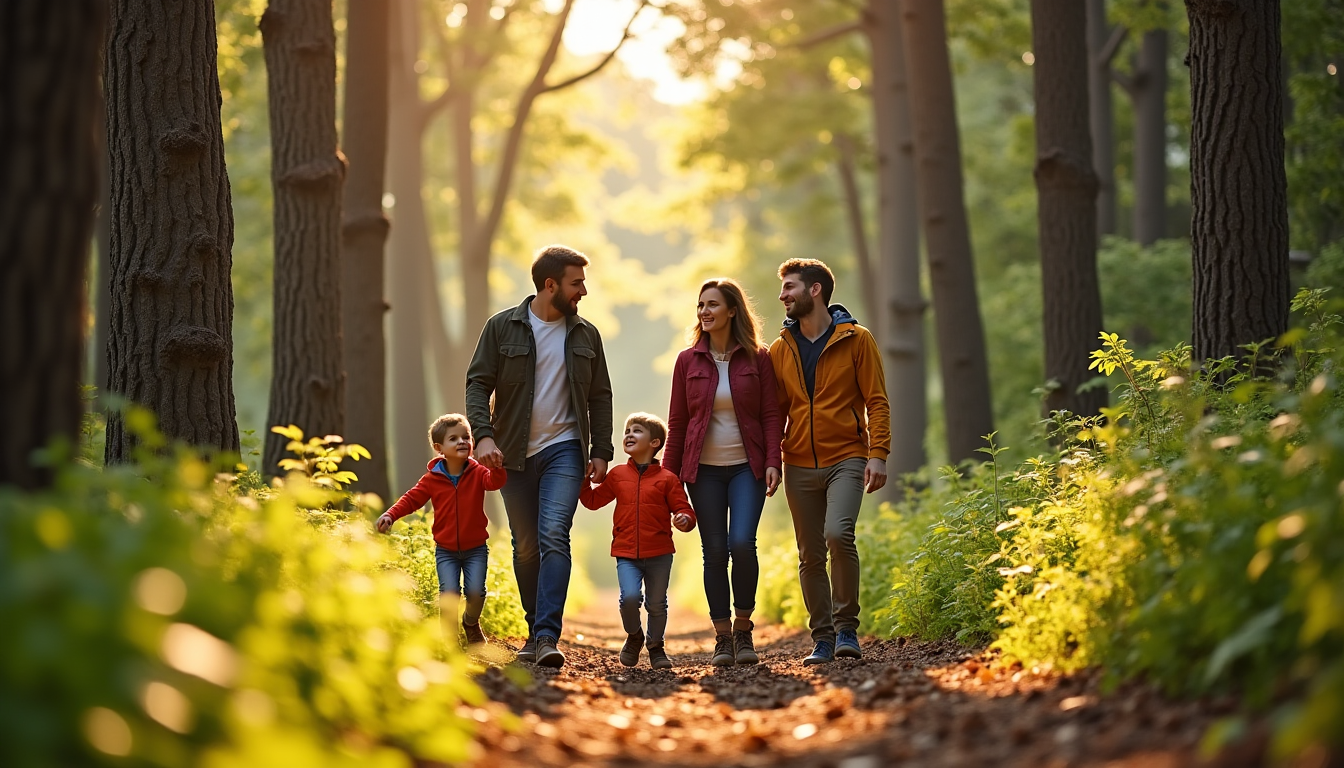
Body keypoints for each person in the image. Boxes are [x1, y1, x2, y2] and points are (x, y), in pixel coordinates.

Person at [465, 244, 614, 668]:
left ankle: (547, 634)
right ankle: (534, 631)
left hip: (565, 449)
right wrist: (484, 437)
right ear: (551, 285)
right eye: (576, 282)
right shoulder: (501, 328)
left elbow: (600, 397)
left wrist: (601, 450)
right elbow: (478, 384)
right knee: (526, 545)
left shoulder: (586, 335)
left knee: (553, 535)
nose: (583, 291)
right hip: (509, 454)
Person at [768, 259, 890, 665]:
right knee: (810, 552)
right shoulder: (779, 349)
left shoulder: (857, 339)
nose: (782, 295)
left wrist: (879, 454)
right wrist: (772, 459)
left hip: (848, 456)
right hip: (798, 461)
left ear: (814, 290)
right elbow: (776, 413)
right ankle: (822, 637)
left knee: (839, 534)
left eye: (789, 287)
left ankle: (846, 629)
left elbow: (877, 401)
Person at [664, 278, 782, 667]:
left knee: (742, 543)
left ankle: (744, 631)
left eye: (712, 304)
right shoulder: (687, 361)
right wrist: (668, 481)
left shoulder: (758, 358)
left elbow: (770, 414)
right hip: (704, 472)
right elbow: (678, 423)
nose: (704, 311)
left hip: (747, 467)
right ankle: (722, 637)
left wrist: (771, 461)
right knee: (714, 551)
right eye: (701, 305)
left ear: (732, 310)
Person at [377, 414, 507, 648]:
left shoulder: (478, 473)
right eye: (453, 438)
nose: (462, 442)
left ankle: (470, 622)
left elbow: (494, 483)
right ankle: (448, 641)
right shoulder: (432, 479)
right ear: (439, 448)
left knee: (476, 592)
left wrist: (496, 467)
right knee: (449, 595)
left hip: (476, 548)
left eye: (466, 437)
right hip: (445, 550)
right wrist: (390, 514)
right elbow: (411, 499)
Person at [580, 413, 696, 670]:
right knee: (629, 598)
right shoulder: (618, 474)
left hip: (659, 552)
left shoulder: (667, 478)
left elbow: (683, 508)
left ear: (655, 442)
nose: (629, 434)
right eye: (627, 431)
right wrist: (582, 479)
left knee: (657, 603)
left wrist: (685, 519)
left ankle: (656, 646)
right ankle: (634, 636)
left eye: (637, 431)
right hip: (626, 551)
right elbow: (593, 501)